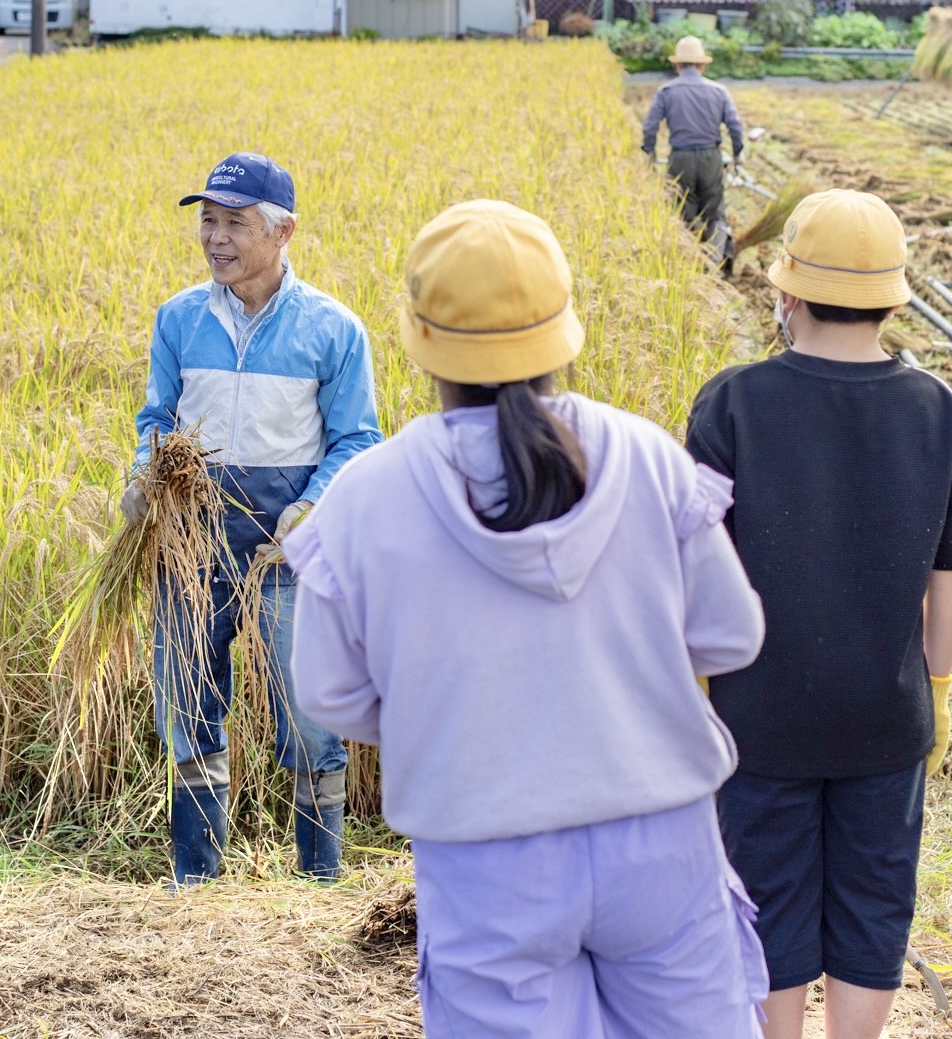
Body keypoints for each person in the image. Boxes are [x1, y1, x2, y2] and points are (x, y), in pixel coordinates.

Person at [287, 199, 768, 1036]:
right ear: (561, 332)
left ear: (420, 336)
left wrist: (446, 703)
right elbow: (732, 635)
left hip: (482, 851)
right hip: (660, 836)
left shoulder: (364, 495)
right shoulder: (647, 453)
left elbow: (329, 694)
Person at [686, 189, 952, 1039]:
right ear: (893, 301)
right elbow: (950, 572)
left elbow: (693, 561)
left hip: (756, 715)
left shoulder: (733, 402)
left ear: (785, 293)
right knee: (872, 903)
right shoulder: (937, 409)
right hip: (885, 720)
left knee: (765, 903)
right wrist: (933, 684)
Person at [126, 151, 382, 884]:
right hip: (190, 545)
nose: (215, 238)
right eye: (207, 220)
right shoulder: (178, 320)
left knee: (306, 714)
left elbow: (359, 438)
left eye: (234, 222)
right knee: (186, 700)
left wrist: (308, 509)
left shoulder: (332, 330)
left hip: (284, 553)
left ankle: (318, 880)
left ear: (283, 231)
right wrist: (146, 477)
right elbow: (157, 416)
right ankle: (196, 878)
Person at [641, 35, 747, 260]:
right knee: (715, 213)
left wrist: (649, 153)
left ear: (677, 65)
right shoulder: (719, 91)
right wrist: (738, 153)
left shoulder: (667, 91)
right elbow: (735, 126)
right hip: (711, 157)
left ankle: (686, 261)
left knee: (682, 213)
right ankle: (715, 262)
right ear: (701, 65)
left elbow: (650, 126)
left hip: (680, 158)